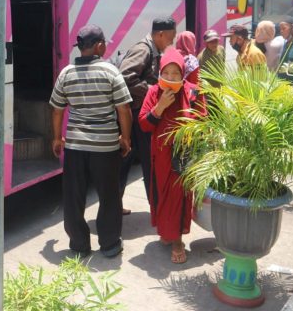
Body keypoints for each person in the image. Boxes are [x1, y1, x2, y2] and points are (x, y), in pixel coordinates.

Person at [50, 24, 133, 258]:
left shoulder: (66, 73)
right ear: (98, 46)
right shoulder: (110, 72)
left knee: (73, 195)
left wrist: (57, 138)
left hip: (75, 146)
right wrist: (125, 138)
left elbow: (56, 109)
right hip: (105, 146)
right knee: (109, 195)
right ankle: (109, 244)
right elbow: (123, 109)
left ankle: (79, 244)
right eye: (104, 43)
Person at [139, 48, 204, 264]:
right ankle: (168, 232)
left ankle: (177, 240)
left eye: (175, 74)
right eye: (166, 73)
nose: (170, 78)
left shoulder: (193, 92)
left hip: (183, 156)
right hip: (161, 157)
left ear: (183, 74)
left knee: (179, 197)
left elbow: (203, 121)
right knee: (162, 196)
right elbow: (144, 124)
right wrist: (159, 108)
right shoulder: (153, 92)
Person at [119, 17, 177, 213]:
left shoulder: (152, 50)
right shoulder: (143, 49)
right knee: (148, 161)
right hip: (136, 115)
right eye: (171, 37)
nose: (172, 42)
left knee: (127, 160)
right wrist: (152, 90)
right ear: (160, 34)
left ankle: (116, 204)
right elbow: (125, 77)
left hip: (136, 114)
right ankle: (157, 208)